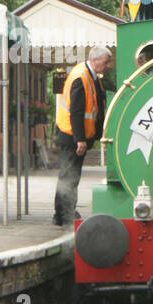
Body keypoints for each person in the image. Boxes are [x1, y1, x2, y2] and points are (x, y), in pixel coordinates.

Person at [54, 47, 113, 226]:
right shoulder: (81, 78)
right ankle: (66, 214)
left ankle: (62, 213)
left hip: (75, 135)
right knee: (69, 176)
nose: (108, 66)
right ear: (95, 61)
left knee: (69, 175)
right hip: (72, 136)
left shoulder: (90, 75)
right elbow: (76, 111)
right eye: (106, 62)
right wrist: (80, 139)